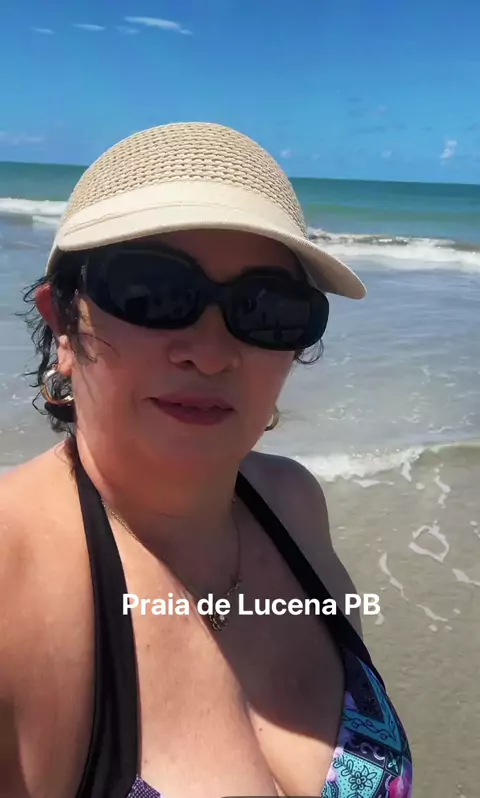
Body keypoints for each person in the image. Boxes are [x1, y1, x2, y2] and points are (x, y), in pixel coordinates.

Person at [0, 122, 413, 798]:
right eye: (154, 294)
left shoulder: (292, 502)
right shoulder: (10, 580)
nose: (212, 353)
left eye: (266, 308)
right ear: (64, 325)